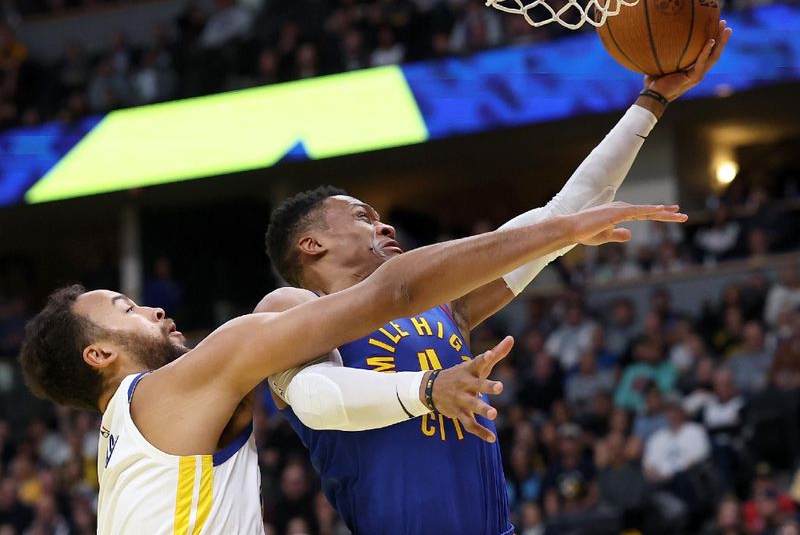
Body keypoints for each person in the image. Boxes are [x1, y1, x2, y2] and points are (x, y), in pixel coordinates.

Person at [259, 23, 731, 534]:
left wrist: (653, 99)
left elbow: (567, 209)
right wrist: (428, 389)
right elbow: (316, 399)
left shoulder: (446, 308)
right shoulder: (291, 306)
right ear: (312, 245)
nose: (384, 224)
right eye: (361, 216)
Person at [17, 197, 685, 533]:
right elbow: (391, 295)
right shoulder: (174, 386)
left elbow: (331, 373)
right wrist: (564, 231)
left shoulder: (123, 439)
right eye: (128, 308)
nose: (155, 311)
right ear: (98, 353)